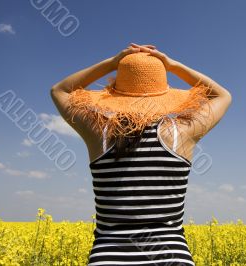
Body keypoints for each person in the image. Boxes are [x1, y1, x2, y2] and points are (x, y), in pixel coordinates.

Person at [50, 43, 232, 265]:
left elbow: (59, 90)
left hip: (108, 259)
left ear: (116, 93)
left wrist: (113, 63)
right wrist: (172, 65)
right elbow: (221, 95)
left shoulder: (100, 133)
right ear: (164, 93)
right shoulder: (180, 133)